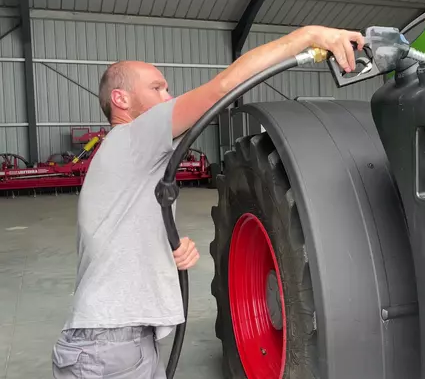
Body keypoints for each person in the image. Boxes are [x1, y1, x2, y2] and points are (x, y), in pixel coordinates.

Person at [51, 25, 365, 378]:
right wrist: (306, 37)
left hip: (119, 343)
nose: (168, 97)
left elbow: (113, 239)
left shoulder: (127, 156)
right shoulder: (133, 135)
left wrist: (168, 250)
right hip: (107, 348)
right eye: (157, 88)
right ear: (121, 99)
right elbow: (222, 87)